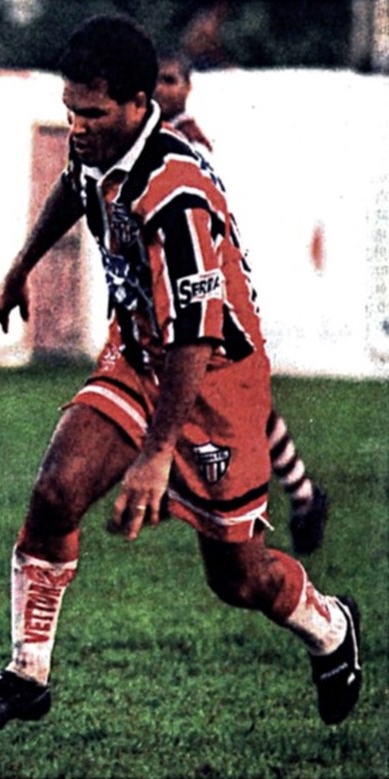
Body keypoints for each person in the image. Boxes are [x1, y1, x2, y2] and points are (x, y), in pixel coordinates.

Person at [0, 14, 360, 732]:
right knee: (55, 491)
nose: (77, 126)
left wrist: (154, 454)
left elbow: (197, 333)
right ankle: (28, 671)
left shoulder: (172, 193)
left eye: (92, 112)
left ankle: (330, 627)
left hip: (214, 379)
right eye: (69, 110)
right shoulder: (102, 147)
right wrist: (22, 264)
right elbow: (74, 185)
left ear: (141, 103)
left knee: (238, 577)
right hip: (141, 352)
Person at [154, 48, 329, 556]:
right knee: (232, 394)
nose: (164, 90)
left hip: (212, 287)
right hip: (195, 285)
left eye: (171, 80)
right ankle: (302, 494)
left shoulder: (187, 141)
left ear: (187, 87)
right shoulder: (164, 140)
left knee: (221, 390)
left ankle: (295, 494)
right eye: (157, 81)